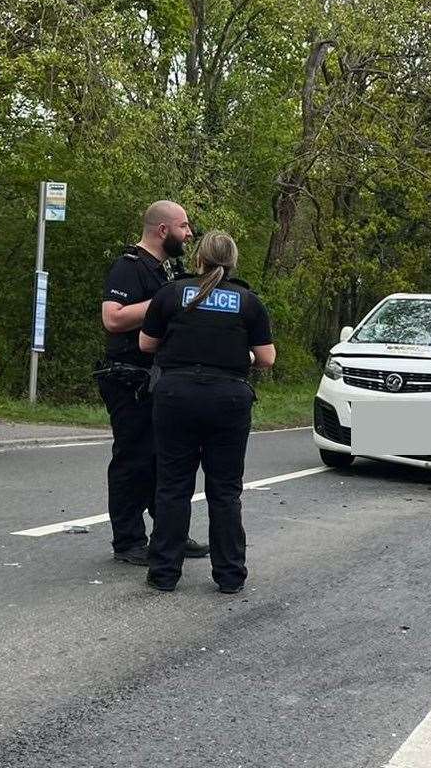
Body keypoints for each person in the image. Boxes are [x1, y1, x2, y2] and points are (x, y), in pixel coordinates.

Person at [140, 231, 275, 594]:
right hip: (228, 400)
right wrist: (239, 355)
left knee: (172, 486)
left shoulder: (170, 293)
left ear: (198, 259)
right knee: (225, 491)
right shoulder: (248, 302)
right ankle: (230, 575)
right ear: (232, 262)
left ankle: (164, 574)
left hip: (176, 397)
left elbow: (145, 343)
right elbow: (266, 359)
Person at [96, 200, 210, 565]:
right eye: (184, 227)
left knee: (164, 458)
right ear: (164, 230)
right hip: (127, 377)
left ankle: (169, 533)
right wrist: (163, 301)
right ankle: (128, 540)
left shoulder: (165, 271)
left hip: (158, 378)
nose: (189, 234)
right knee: (132, 458)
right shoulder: (129, 267)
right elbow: (112, 319)